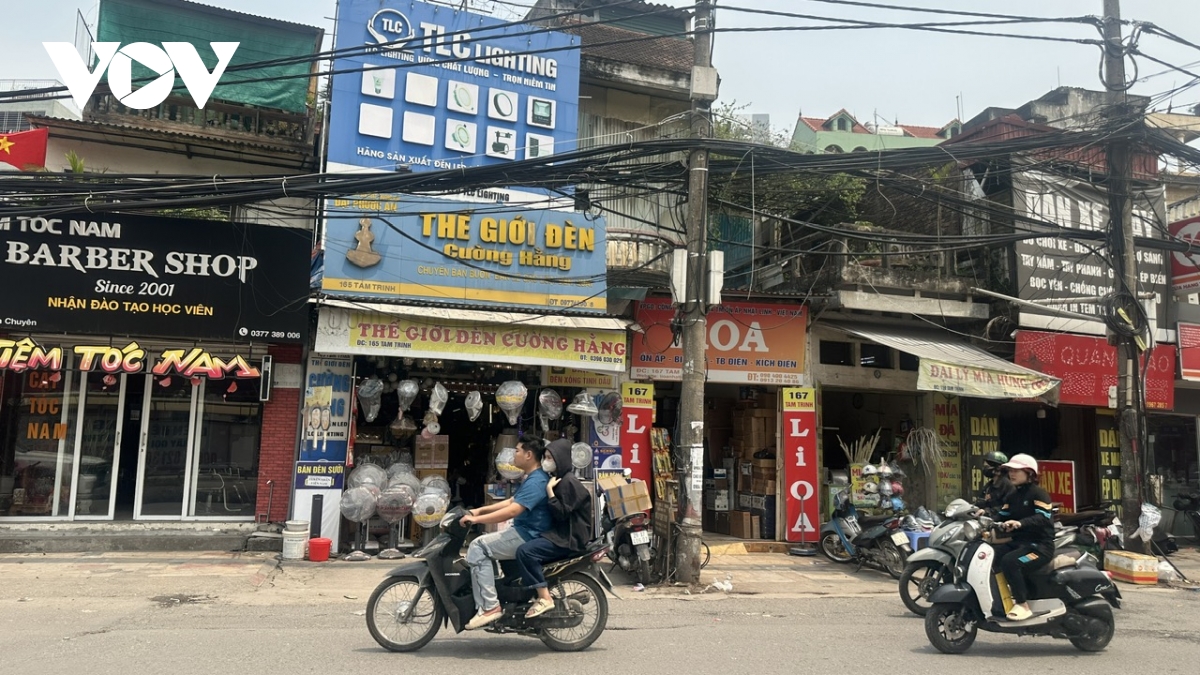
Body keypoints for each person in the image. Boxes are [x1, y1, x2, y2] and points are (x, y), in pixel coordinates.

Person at [459, 437, 553, 630]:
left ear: (528, 455)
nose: (513, 455)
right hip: (521, 531)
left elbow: (513, 511)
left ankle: (489, 606)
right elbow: (511, 501)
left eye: (517, 451)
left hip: (527, 535)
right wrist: (479, 510)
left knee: (477, 546)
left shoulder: (537, 481)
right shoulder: (531, 478)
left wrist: (477, 520)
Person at [515, 439, 594, 618]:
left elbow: (561, 514)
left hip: (569, 538)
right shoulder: (560, 478)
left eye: (550, 457)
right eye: (545, 457)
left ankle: (544, 597)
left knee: (525, 552)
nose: (546, 461)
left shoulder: (569, 483)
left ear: (561, 459)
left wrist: (550, 492)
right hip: (560, 534)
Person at [991, 453, 1055, 622]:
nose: (1012, 473)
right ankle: (1001, 603)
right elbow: (1001, 515)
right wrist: (985, 521)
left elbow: (1043, 517)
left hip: (1039, 547)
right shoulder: (1012, 495)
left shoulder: (1039, 494)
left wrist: (1020, 523)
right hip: (1019, 544)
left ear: (1029, 474)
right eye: (1010, 470)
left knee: (1010, 562)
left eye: (1017, 470)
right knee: (992, 557)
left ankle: (1023, 604)